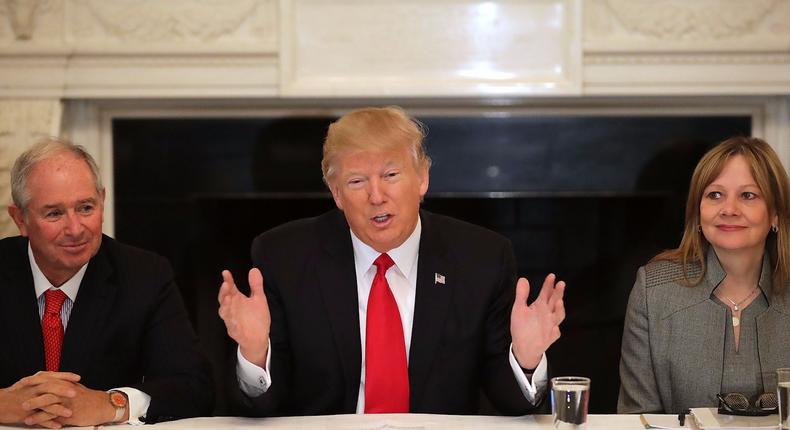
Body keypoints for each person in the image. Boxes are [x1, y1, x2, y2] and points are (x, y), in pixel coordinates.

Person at [218, 106, 566, 416]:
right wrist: (253, 352)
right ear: (336, 194)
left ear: (422, 179)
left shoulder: (480, 257)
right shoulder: (285, 256)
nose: (376, 196)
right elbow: (262, 406)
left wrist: (526, 358)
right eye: (357, 181)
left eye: (390, 175)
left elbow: (509, 402)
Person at [0, 138, 214, 428]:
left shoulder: (145, 275)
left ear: (102, 200)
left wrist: (112, 404)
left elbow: (194, 386)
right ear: (20, 218)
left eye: (86, 208)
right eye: (54, 213)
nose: (75, 229)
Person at [618, 136, 790, 414]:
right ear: (698, 214)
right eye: (715, 195)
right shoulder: (653, 290)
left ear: (776, 215)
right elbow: (638, 418)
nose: (729, 209)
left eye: (748, 195)